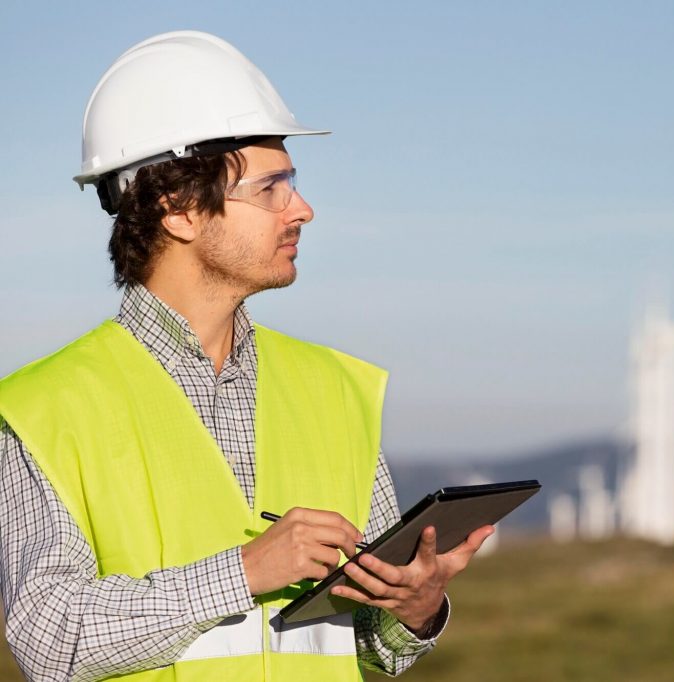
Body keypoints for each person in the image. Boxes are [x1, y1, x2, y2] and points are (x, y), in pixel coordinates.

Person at [0, 31, 492, 682]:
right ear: (178, 209)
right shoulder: (45, 408)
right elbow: (48, 639)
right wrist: (243, 573)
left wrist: (417, 607)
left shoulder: (336, 389)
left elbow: (375, 644)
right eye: (271, 190)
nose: (304, 209)